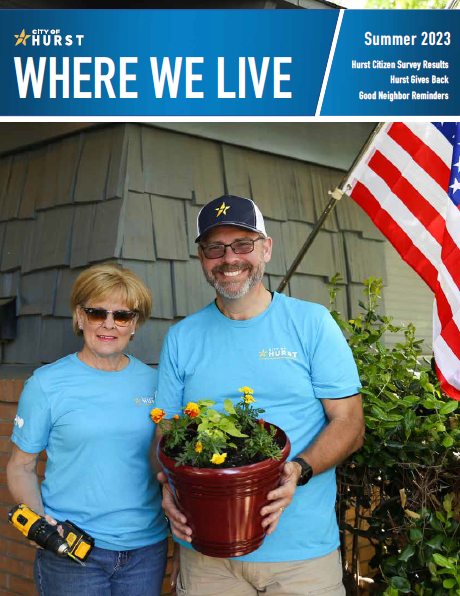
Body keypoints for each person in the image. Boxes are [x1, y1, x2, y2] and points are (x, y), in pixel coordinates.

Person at [155, 195, 365, 596]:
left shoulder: (312, 323)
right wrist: (167, 487)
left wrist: (298, 469)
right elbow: (166, 432)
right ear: (202, 258)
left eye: (242, 244)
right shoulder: (182, 337)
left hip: (302, 556)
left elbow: (350, 425)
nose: (228, 258)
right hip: (208, 558)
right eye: (214, 247)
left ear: (266, 248)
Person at [7, 263, 169, 596]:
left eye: (122, 316)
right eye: (97, 313)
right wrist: (40, 525)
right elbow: (20, 465)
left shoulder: (155, 384)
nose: (109, 324)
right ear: (79, 317)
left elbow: (164, 463)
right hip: (72, 551)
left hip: (145, 550)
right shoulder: (47, 384)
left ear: (134, 324)